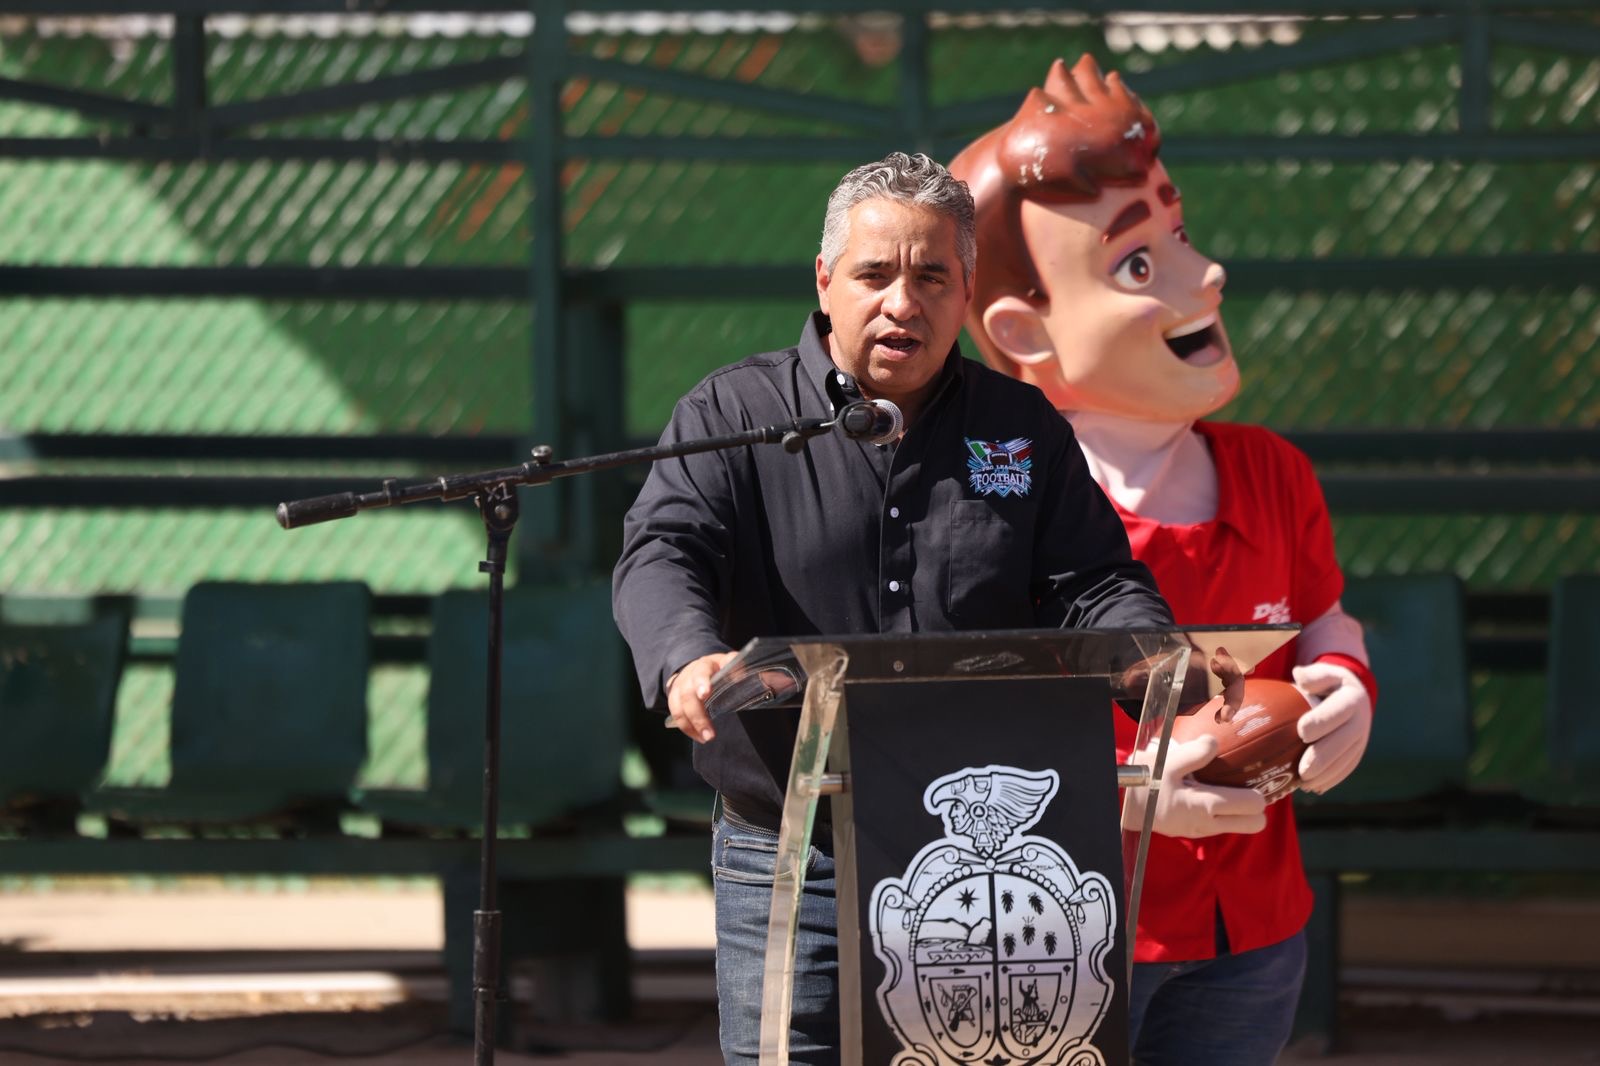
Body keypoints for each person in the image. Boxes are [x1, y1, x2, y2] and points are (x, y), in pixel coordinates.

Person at [612, 151, 1175, 1064]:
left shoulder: (1021, 428)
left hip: (985, 855)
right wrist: (687, 655)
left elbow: (1092, 582)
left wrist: (1147, 652)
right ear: (825, 281)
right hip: (792, 845)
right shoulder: (734, 413)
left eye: (931, 278)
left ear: (967, 292)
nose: (902, 303)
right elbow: (665, 549)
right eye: (874, 275)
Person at [949, 56, 1380, 1064]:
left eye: (1178, 238)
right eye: (1137, 265)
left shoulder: (1273, 472)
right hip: (1065, 926)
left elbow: (1323, 616)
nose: (1208, 273)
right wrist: (1126, 790)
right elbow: (961, 724)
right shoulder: (991, 504)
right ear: (1023, 330)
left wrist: (1347, 682)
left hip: (1252, 924)